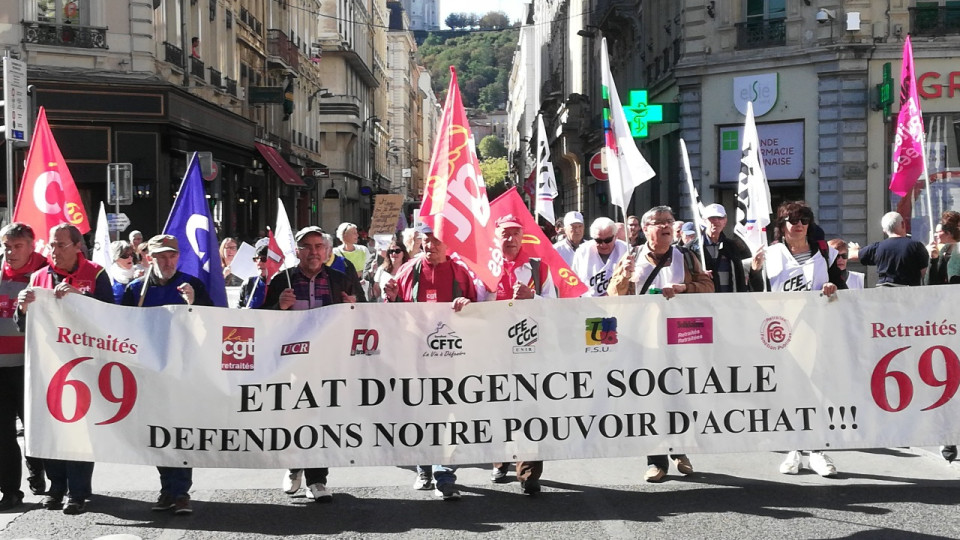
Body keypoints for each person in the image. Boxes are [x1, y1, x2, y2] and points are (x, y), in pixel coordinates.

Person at [608, 206, 713, 482]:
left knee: (679, 396)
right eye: (659, 222)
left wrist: (684, 289)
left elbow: (708, 288)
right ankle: (655, 461)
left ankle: (680, 451)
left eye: (670, 221)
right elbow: (613, 297)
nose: (666, 226)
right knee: (650, 398)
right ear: (646, 229)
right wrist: (623, 277)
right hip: (644, 340)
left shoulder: (687, 258)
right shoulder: (631, 258)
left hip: (681, 339)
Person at [17, 224, 114, 514]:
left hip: (86, 367)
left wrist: (79, 300)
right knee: (51, 430)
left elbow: (112, 318)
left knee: (80, 430)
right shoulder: (38, 277)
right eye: (51, 245)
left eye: (60, 245)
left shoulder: (95, 274)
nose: (54, 251)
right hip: (49, 368)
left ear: (77, 247)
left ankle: (79, 492)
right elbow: (24, 328)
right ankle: (56, 487)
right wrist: (22, 308)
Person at [748, 201, 845, 477]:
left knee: (817, 391)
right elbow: (756, 294)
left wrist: (833, 287)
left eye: (803, 219)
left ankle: (816, 450)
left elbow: (842, 286)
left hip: (818, 331)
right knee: (789, 392)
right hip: (781, 333)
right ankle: (793, 448)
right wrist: (755, 272)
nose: (798, 224)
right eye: (792, 220)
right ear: (782, 226)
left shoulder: (824, 252)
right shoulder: (771, 253)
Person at [261, 226, 357, 503]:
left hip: (329, 361)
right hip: (291, 362)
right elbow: (259, 319)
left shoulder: (340, 279)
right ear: (298, 251)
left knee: (321, 418)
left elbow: (363, 310)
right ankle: (293, 467)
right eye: (307, 247)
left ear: (327, 251)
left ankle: (317, 480)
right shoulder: (282, 280)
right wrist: (278, 306)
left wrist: (354, 304)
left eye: (319, 246)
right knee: (292, 418)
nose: (313, 252)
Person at [384, 224, 478, 500]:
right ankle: (423, 468)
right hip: (415, 358)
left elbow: (479, 308)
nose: (430, 246)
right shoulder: (407, 271)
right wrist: (390, 298)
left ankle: (444, 472)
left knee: (447, 415)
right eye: (425, 241)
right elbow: (393, 310)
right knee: (419, 415)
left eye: (436, 241)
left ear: (448, 245)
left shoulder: (461, 272)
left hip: (452, 360)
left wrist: (467, 303)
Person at [122, 234, 213, 515]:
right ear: (150, 258)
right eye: (161, 256)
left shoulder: (192, 285)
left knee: (181, 432)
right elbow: (119, 326)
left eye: (172, 255)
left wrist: (194, 303)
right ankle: (167, 490)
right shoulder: (137, 290)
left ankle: (182, 492)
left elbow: (215, 324)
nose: (167, 261)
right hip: (149, 373)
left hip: (183, 371)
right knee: (157, 434)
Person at [488, 215, 555, 495]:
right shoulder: (483, 268)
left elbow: (556, 308)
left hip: (529, 350)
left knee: (529, 410)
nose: (511, 239)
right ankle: (499, 460)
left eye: (516, 233)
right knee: (496, 407)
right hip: (493, 350)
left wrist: (533, 298)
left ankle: (529, 473)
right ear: (496, 235)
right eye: (506, 233)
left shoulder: (539, 268)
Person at [0, 223, 47, 511]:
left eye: (17, 246)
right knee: (3, 432)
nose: (10, 251)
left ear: (32, 246)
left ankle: (37, 467)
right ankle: (10, 490)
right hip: (0, 367)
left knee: (34, 428)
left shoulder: (43, 275)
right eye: (7, 245)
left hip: (31, 366)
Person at [848, 211, 928, 286]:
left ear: (884, 231)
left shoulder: (877, 248)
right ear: (903, 224)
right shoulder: (917, 247)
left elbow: (851, 255)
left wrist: (856, 249)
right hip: (909, 294)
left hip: (884, 294)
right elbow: (925, 273)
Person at [693, 203, 751, 293]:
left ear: (725, 221)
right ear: (704, 221)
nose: (716, 221)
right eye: (711, 218)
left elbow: (740, 277)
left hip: (729, 301)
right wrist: (698, 275)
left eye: (720, 218)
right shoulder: (692, 248)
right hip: (703, 301)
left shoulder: (733, 247)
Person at [571, 217, 630, 297]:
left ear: (615, 236)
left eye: (607, 240)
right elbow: (574, 282)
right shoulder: (582, 252)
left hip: (619, 304)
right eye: (598, 241)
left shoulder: (626, 250)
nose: (603, 245)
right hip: (590, 305)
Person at [926, 210, 960, 286]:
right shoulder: (942, 249)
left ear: (948, 233)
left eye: (939, 231)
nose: (936, 234)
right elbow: (933, 283)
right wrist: (933, 259)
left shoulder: (955, 251)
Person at [238, 244, 270, 308]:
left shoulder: (278, 283)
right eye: (256, 259)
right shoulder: (248, 283)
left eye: (263, 259)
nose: (259, 262)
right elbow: (239, 307)